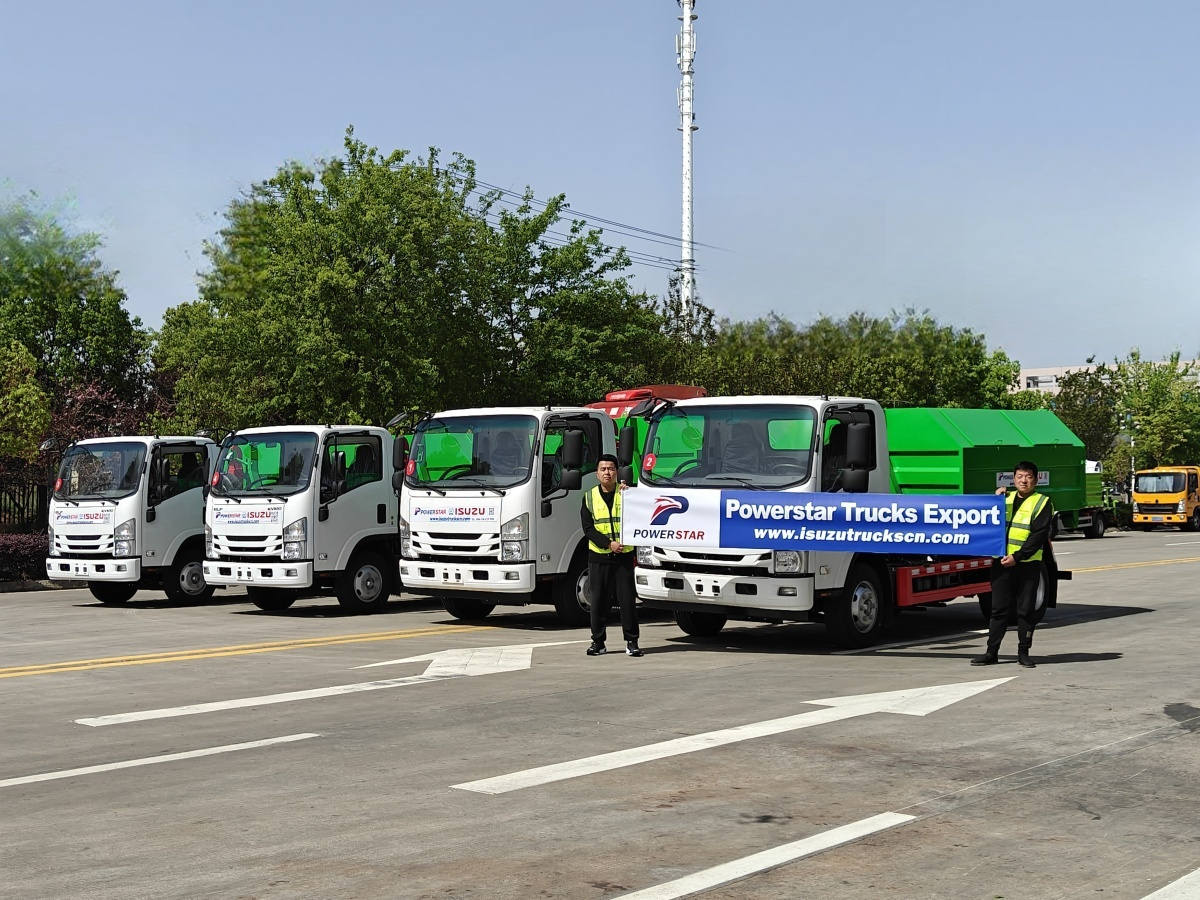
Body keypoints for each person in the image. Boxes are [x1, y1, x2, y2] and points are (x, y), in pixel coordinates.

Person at [972, 460, 1053, 668]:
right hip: (1001, 563)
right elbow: (987, 520)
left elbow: (1038, 535)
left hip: (1027, 565)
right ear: (1014, 479)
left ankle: (1023, 652)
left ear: (1036, 480)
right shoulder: (1004, 499)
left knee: (1025, 611)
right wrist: (994, 499)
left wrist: (1017, 557)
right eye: (1019, 477)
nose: (1023, 481)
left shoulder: (1042, 502)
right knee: (998, 610)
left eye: (1028, 477)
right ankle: (991, 653)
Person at [580, 454, 641, 657]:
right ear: (597, 474)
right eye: (603, 469)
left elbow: (641, 513)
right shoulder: (588, 497)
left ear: (617, 472)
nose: (607, 472)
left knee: (627, 602)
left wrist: (631, 492)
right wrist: (609, 544)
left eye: (611, 469)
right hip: (599, 556)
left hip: (624, 556)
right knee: (598, 602)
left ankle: (632, 642)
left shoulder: (627, 494)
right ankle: (598, 642)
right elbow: (588, 529)